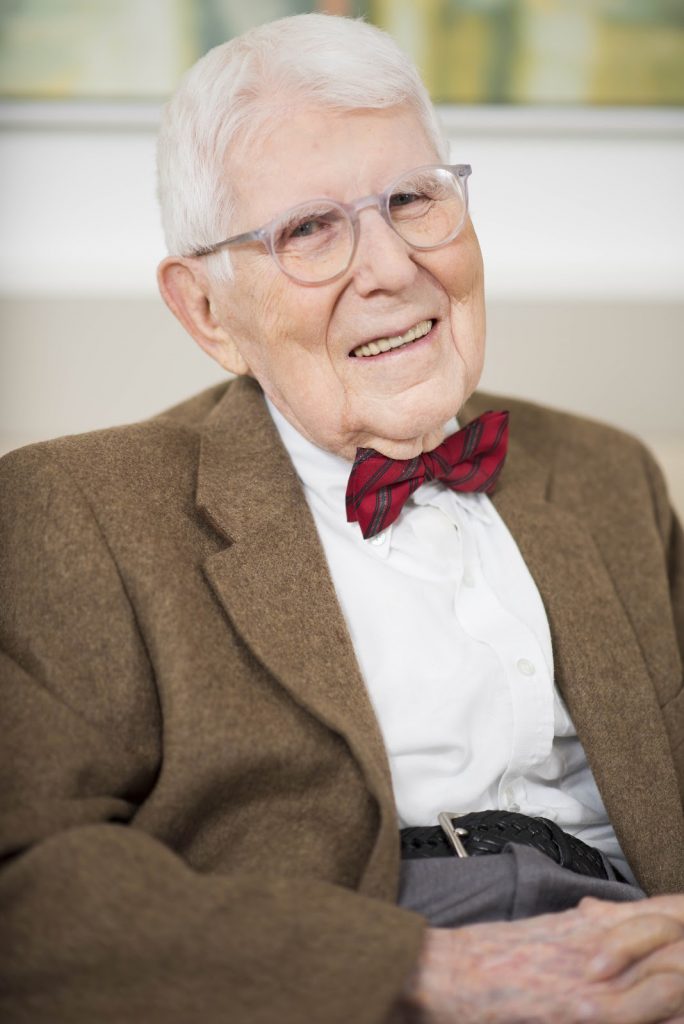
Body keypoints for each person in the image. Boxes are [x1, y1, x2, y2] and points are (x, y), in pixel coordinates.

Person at [1, 12, 683, 1024]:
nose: (392, 268)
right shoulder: (77, 509)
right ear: (207, 312)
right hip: (340, 972)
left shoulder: (604, 473)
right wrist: (425, 972)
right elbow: (27, 879)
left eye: (412, 199)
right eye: (309, 230)